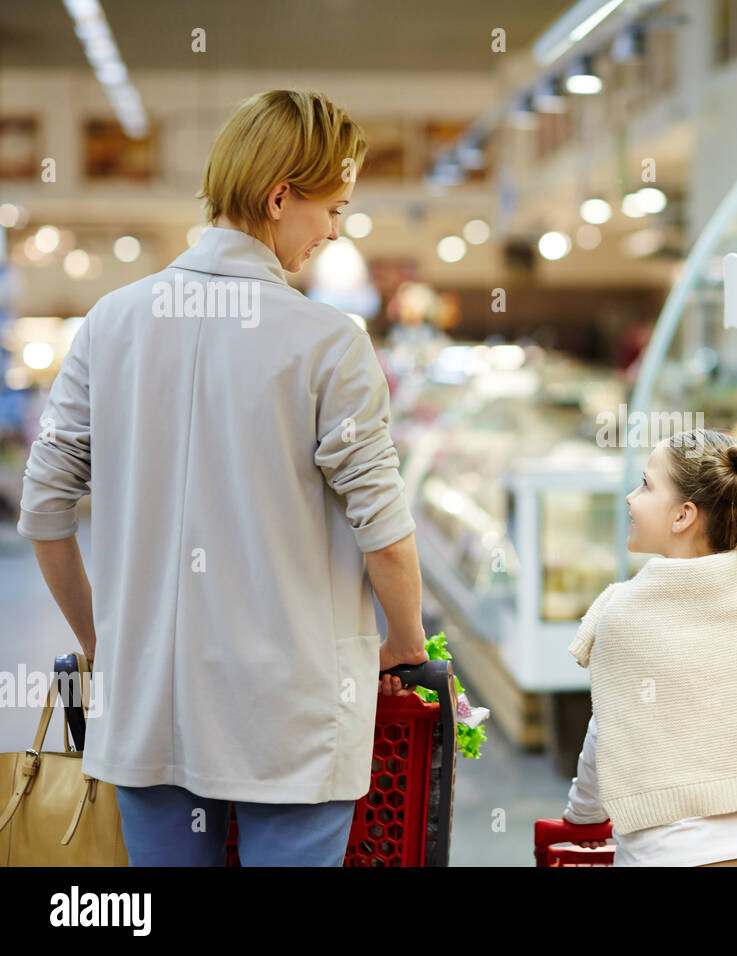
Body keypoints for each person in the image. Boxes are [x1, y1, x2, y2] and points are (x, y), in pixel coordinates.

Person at [16, 90, 429, 867]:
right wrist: (404, 641)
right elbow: (387, 533)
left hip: (150, 713)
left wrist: (103, 641)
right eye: (333, 208)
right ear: (281, 198)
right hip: (292, 717)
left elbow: (44, 509)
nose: (336, 229)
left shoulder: (111, 322)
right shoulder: (328, 343)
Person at [561, 428, 737, 866]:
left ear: (683, 516)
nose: (630, 498)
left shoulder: (627, 612)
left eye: (645, 485)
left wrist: (581, 816)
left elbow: (610, 733)